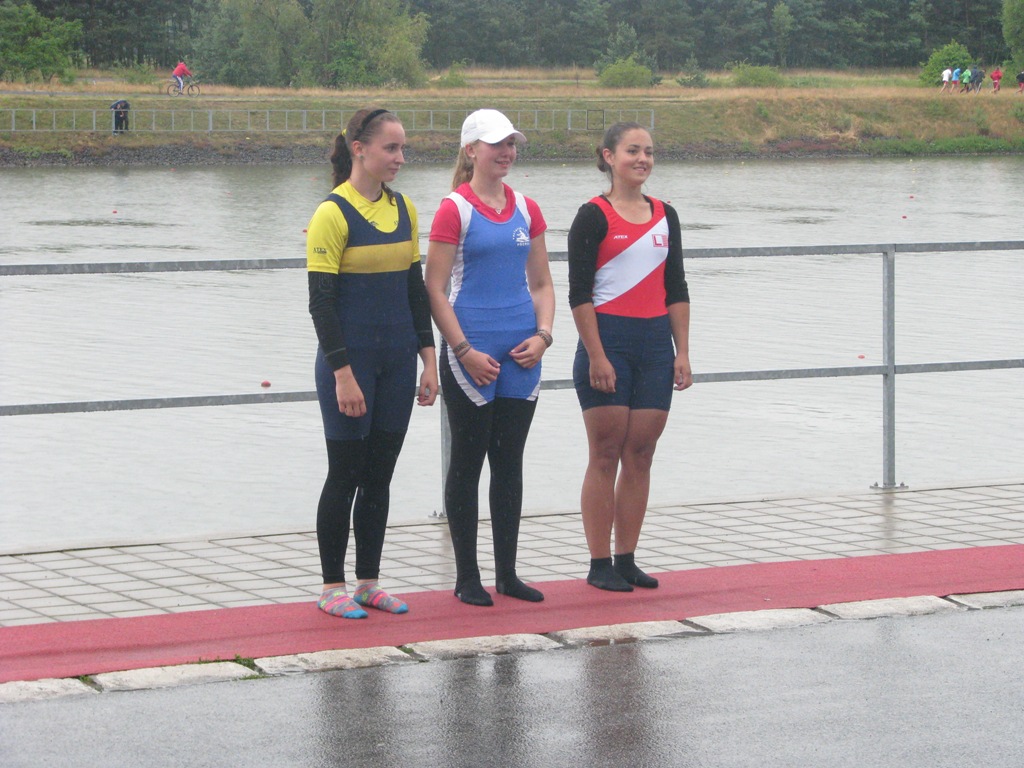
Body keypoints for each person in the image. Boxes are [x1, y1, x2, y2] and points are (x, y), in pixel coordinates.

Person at [306, 108, 438, 619]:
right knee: (344, 474)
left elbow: (414, 292)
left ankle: (368, 582)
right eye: (391, 148)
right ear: (359, 149)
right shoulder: (332, 213)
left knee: (380, 475)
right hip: (350, 366)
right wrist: (343, 374)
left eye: (403, 148)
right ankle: (331, 587)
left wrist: (429, 360)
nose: (400, 158)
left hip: (397, 363)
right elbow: (321, 304)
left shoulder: (405, 209)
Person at [424, 109, 555, 607]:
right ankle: (467, 577)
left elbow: (542, 284)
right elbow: (434, 289)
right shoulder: (454, 209)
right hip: (471, 353)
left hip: (522, 354)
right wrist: (463, 350)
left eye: (511, 144)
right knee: (467, 461)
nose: (507, 152)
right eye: (497, 144)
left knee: (509, 462)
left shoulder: (527, 208)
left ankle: (508, 574)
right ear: (471, 150)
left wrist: (543, 336)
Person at [567, 122, 692, 592]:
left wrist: (683, 352)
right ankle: (598, 562)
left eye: (649, 152)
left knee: (640, 453)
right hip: (608, 343)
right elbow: (579, 293)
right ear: (609, 156)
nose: (643, 159)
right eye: (633, 151)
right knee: (605, 453)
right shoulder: (592, 216)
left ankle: (626, 558)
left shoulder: (665, 215)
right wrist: (597, 355)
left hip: (656, 345)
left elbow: (676, 286)